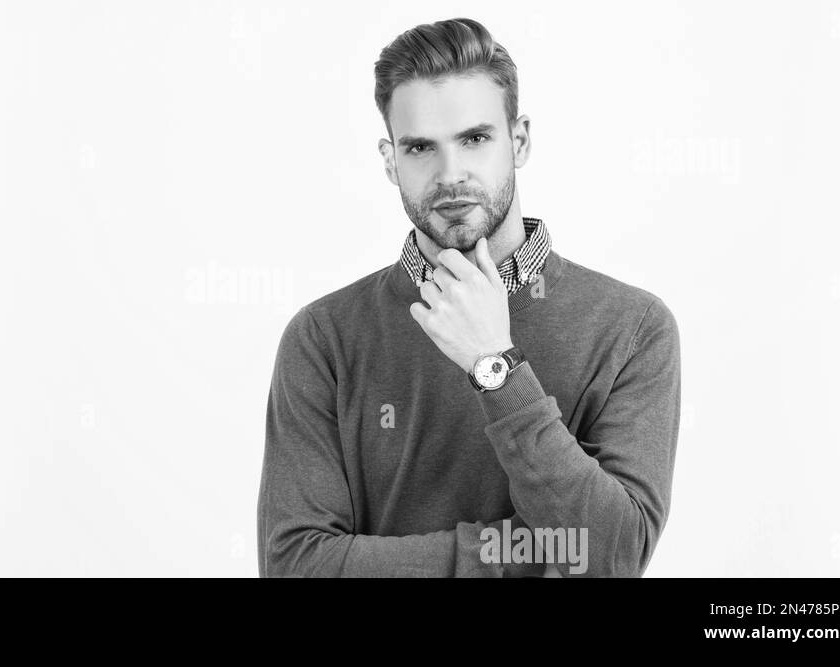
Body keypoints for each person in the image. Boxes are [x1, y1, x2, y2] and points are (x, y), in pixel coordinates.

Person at [257, 17, 681, 577]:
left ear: (520, 140)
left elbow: (611, 555)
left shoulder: (633, 328)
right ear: (390, 161)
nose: (450, 173)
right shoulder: (323, 337)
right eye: (420, 148)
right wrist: (526, 556)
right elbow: (295, 567)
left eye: (475, 139)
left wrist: (495, 365)